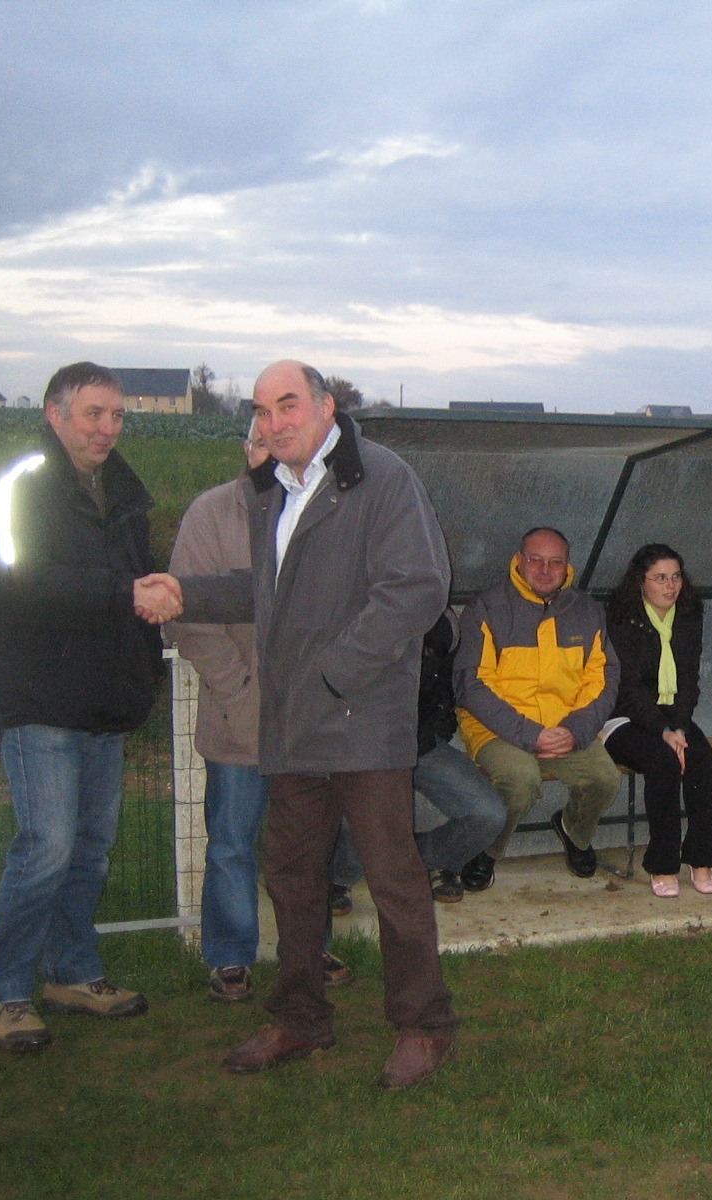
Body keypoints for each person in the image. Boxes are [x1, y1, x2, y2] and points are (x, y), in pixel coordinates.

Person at [146, 360, 458, 1088]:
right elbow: (260, 590)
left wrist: (330, 673)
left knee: (393, 877)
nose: (273, 422)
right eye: (262, 410)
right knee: (290, 874)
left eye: (288, 405)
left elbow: (417, 587)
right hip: (291, 726)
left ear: (326, 406)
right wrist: (183, 591)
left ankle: (424, 1025)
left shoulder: (381, 478)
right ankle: (299, 1019)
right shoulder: (271, 493)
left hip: (361, 719)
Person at [0, 362, 158, 1052]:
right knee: (45, 847)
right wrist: (125, 592)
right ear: (56, 414)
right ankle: (5, 989)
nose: (108, 428)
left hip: (104, 700)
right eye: (93, 414)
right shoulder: (17, 485)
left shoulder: (128, 493)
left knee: (91, 853)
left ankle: (72, 973)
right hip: (39, 694)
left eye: (116, 416)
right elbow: (9, 588)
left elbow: (137, 586)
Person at [169, 429, 352, 1001]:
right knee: (231, 841)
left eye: (283, 443)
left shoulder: (327, 510)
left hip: (308, 717)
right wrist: (240, 687)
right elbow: (187, 613)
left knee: (308, 841)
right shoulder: (211, 513)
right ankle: (230, 956)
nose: (270, 456)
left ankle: (308, 947)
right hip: (238, 719)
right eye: (259, 445)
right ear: (245, 452)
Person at [454, 527, 622, 888]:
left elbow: (603, 678)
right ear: (519, 560)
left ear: (567, 566)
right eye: (536, 560)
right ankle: (486, 849)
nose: (545, 570)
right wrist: (531, 734)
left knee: (605, 778)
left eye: (555, 562)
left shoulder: (587, 611)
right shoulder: (486, 608)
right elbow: (472, 685)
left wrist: (576, 729)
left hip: (564, 726)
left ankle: (574, 831)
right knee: (520, 780)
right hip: (497, 726)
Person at [602, 544, 712, 897]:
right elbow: (627, 687)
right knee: (662, 761)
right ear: (641, 582)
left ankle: (701, 858)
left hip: (671, 714)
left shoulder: (688, 614)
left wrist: (680, 726)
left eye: (676, 576)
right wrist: (663, 731)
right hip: (622, 717)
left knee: (701, 759)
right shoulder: (622, 617)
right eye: (661, 578)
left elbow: (689, 678)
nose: (671, 586)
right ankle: (663, 863)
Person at [409, 612, 507, 901]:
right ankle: (340, 879)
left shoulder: (444, 622)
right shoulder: (358, 609)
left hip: (422, 744)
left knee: (487, 814)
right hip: (368, 750)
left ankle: (429, 858)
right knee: (354, 811)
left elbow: (452, 687)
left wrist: (436, 728)